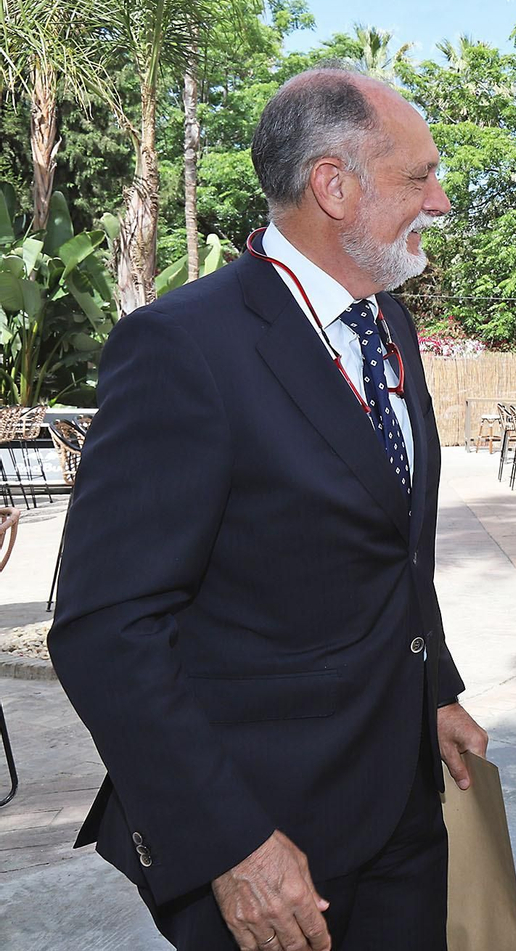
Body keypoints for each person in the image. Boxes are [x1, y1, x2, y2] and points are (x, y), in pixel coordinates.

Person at [49, 65, 488, 951]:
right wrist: (229, 841)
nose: (439, 199)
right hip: (268, 834)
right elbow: (106, 628)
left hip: (403, 799)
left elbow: (396, 543)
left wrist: (432, 686)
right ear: (334, 185)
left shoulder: (388, 323)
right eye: (418, 176)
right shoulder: (182, 347)